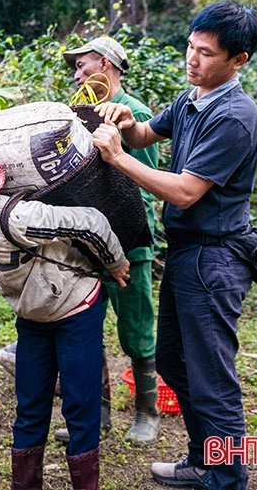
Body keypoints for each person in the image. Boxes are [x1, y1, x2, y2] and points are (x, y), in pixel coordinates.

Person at [92, 0, 257, 490]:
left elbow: (187, 190)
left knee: (213, 378)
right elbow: (147, 131)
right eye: (190, 46)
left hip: (217, 257)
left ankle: (228, 476)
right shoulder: (193, 99)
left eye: (206, 53)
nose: (193, 59)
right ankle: (202, 460)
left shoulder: (233, 116)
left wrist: (119, 156)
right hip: (189, 254)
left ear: (238, 61)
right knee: (174, 362)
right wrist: (125, 120)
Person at [0, 141, 130, 490]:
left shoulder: (16, 218)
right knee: (29, 407)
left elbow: (91, 222)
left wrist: (115, 262)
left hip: (76, 309)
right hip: (33, 318)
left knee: (80, 407)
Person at [56, 35, 163, 445]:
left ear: (105, 63)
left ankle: (147, 411)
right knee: (86, 327)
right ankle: (96, 415)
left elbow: (146, 182)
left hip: (129, 241)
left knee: (136, 326)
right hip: (88, 241)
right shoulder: (79, 113)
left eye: (83, 65)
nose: (78, 74)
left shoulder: (134, 114)